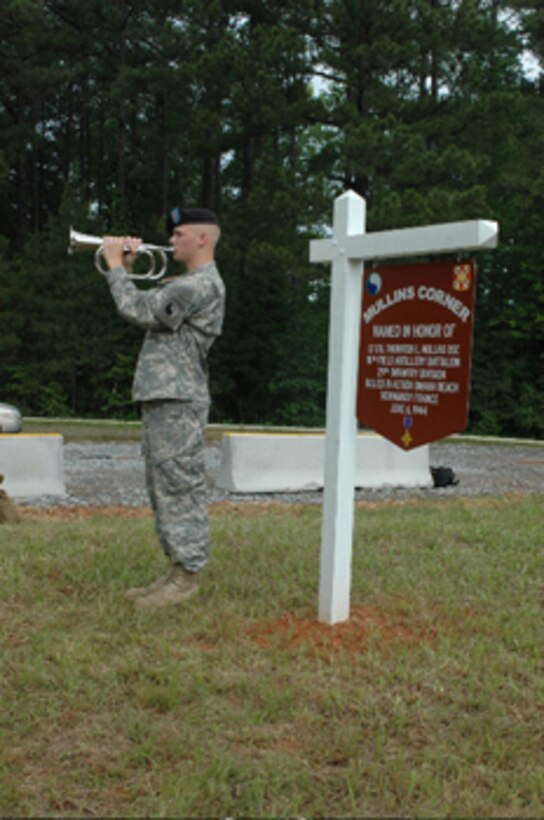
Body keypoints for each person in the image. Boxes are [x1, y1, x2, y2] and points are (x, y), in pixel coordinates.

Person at [101, 207, 226, 608]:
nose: (171, 241)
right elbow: (148, 303)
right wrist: (124, 269)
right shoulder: (186, 282)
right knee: (162, 487)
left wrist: (115, 268)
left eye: (179, 234)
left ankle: (187, 577)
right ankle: (175, 569)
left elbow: (139, 310)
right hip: (165, 396)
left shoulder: (200, 285)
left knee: (180, 485)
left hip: (179, 398)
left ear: (202, 238)